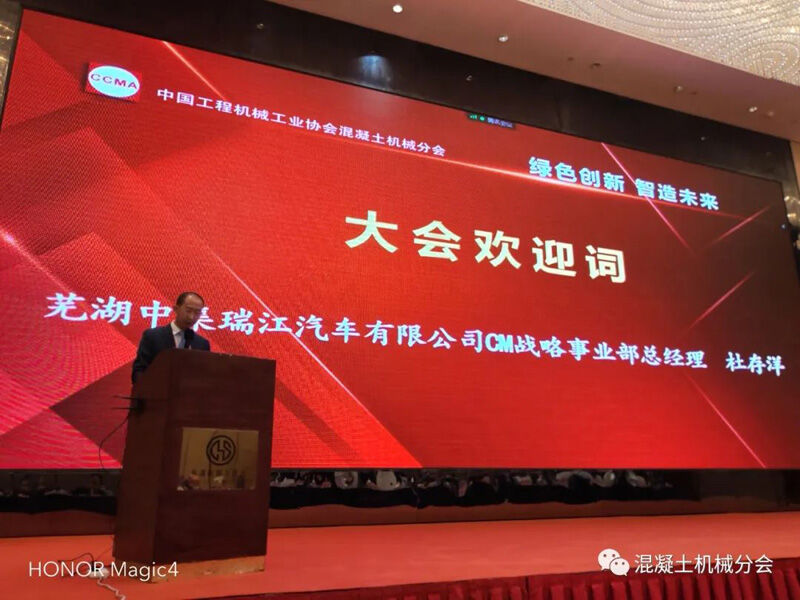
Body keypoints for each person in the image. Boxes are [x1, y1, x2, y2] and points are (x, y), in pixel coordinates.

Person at [131, 291, 211, 383]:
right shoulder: (153, 336)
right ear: (176, 309)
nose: (191, 317)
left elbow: (203, 377)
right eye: (188, 311)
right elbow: (139, 370)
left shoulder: (202, 344)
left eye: (197, 313)